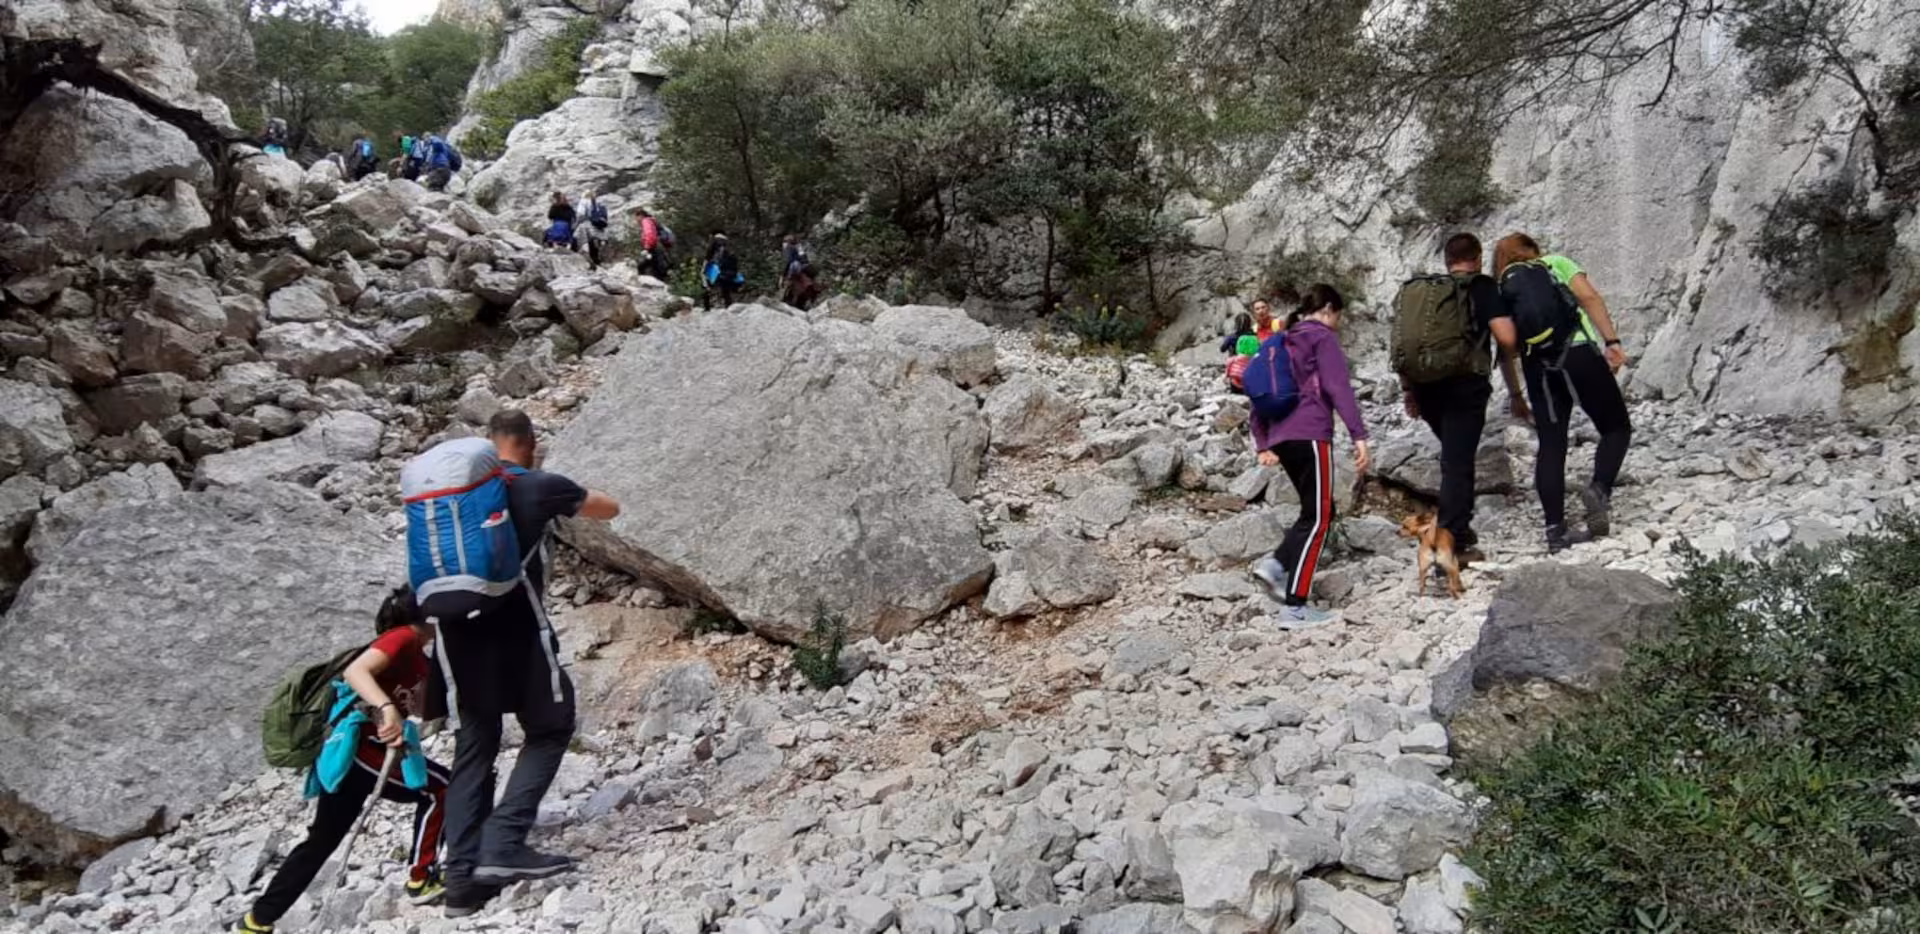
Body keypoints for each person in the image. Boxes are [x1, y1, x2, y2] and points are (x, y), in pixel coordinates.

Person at [440, 411, 621, 917]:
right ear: (531, 443)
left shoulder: (457, 497)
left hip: (456, 639)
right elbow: (608, 509)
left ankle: (460, 883)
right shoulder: (537, 486)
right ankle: (502, 844)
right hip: (517, 634)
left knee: (474, 748)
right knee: (550, 726)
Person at [233, 588, 451, 933]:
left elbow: (425, 710)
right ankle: (421, 876)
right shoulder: (402, 637)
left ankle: (256, 921)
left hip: (350, 758)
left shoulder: (419, 657)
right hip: (363, 752)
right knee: (442, 789)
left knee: (321, 841)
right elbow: (356, 671)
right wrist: (386, 708)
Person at [1492, 232, 1633, 552]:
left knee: (1552, 444)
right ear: (1530, 251)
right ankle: (1598, 491)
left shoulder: (1501, 288)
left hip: (1537, 369)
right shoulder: (1554, 263)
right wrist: (1611, 341)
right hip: (1578, 353)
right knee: (1615, 427)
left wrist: (1515, 394)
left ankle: (1555, 531)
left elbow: (1505, 347)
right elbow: (1590, 297)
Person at [1394, 233, 1527, 562]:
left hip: (1424, 387)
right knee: (1457, 464)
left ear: (1447, 260)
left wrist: (1409, 391)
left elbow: (1403, 345)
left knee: (1454, 458)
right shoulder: (1481, 287)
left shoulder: (1423, 294)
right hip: (1464, 387)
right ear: (1478, 257)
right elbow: (1507, 339)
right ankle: (1451, 546)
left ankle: (1461, 532)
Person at [1247, 284, 1372, 628]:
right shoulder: (1321, 337)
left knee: (1314, 510)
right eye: (1339, 317)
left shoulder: (1280, 340)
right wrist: (1359, 435)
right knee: (1319, 518)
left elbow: (1257, 398)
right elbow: (1338, 386)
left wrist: (1263, 442)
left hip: (1283, 437)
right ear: (1330, 309)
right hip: (1311, 432)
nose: (1338, 324)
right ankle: (1295, 607)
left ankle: (1275, 566)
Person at [702, 233, 740, 311]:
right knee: (725, 291)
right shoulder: (727, 247)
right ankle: (727, 306)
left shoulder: (715, 244)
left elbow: (709, 257)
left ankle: (709, 307)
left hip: (717, 271)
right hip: (726, 273)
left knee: (708, 286)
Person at [635, 209, 670, 280]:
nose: (636, 220)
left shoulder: (645, 221)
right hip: (656, 247)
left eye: (636, 217)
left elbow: (649, 234)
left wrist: (647, 247)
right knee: (656, 266)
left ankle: (640, 280)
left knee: (646, 265)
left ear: (641, 215)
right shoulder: (651, 221)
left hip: (652, 247)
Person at [581, 192, 610, 268]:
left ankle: (595, 262)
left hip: (593, 229)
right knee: (599, 246)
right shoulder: (601, 205)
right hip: (601, 229)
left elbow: (585, 217)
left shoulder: (588, 206)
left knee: (593, 246)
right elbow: (605, 217)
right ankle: (600, 262)